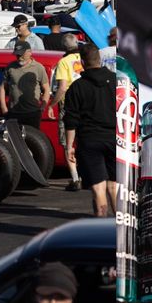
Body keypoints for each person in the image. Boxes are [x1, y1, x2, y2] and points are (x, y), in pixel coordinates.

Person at [63, 44, 116, 217]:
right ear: (99, 60)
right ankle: (121, 231)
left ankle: (101, 230)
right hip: (115, 139)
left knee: (98, 188)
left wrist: (69, 145)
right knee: (113, 186)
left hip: (89, 140)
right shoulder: (117, 82)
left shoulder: (77, 87)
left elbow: (71, 120)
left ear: (83, 62)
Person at [50, 34, 84, 191]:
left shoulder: (63, 62)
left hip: (69, 105)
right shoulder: (80, 58)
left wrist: (52, 104)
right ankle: (85, 176)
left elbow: (62, 87)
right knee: (82, 141)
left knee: (67, 143)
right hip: (84, 104)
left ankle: (75, 178)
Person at [0, 41, 50, 130]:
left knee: (32, 140)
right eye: (17, 55)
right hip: (14, 113)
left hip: (32, 113)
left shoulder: (38, 68)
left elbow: (46, 89)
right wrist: (4, 108)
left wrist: (42, 108)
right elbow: (3, 87)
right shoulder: (10, 67)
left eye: (22, 54)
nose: (19, 57)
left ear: (30, 52)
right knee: (14, 140)